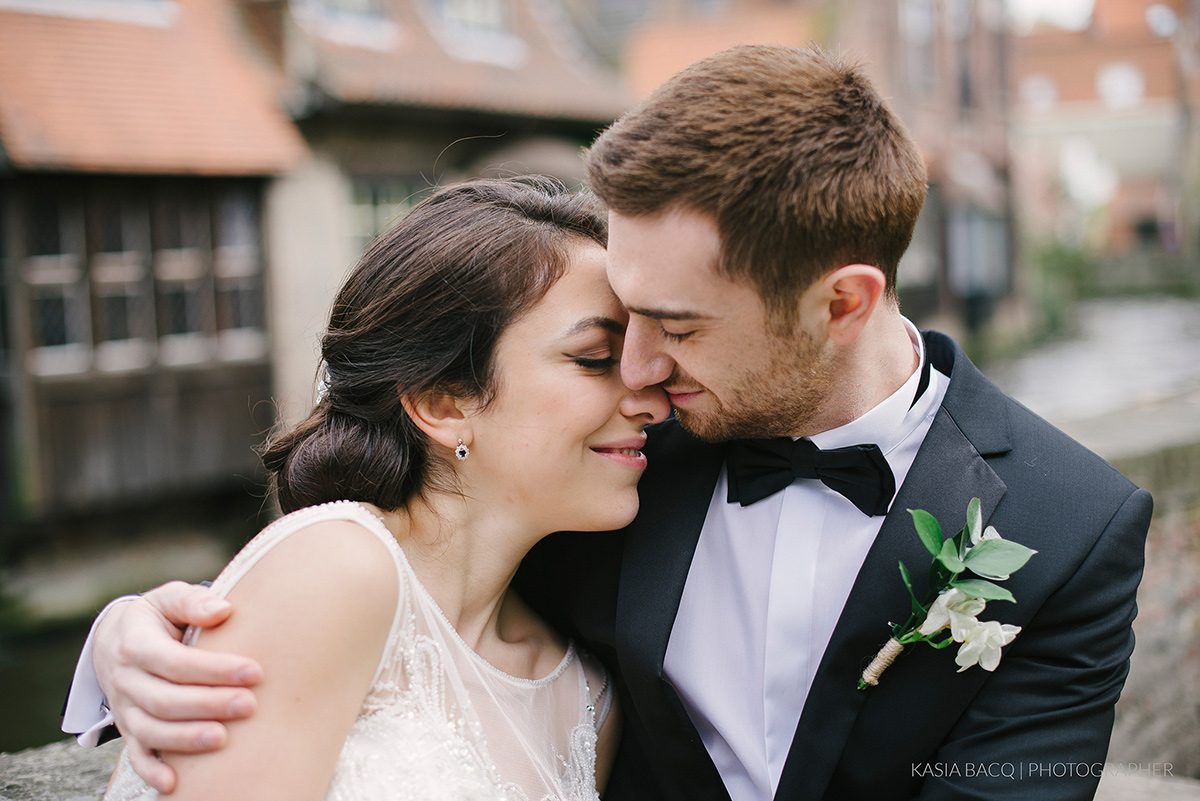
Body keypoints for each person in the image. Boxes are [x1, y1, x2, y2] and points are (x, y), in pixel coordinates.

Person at [66, 47, 1151, 801]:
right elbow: (389, 581)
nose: (638, 372)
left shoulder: (1070, 532)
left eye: (671, 325)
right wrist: (136, 638)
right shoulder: (615, 454)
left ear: (843, 303)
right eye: (611, 332)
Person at [92, 176, 669, 800]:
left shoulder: (586, 700)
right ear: (443, 402)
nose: (652, 404)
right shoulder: (335, 568)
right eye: (593, 359)